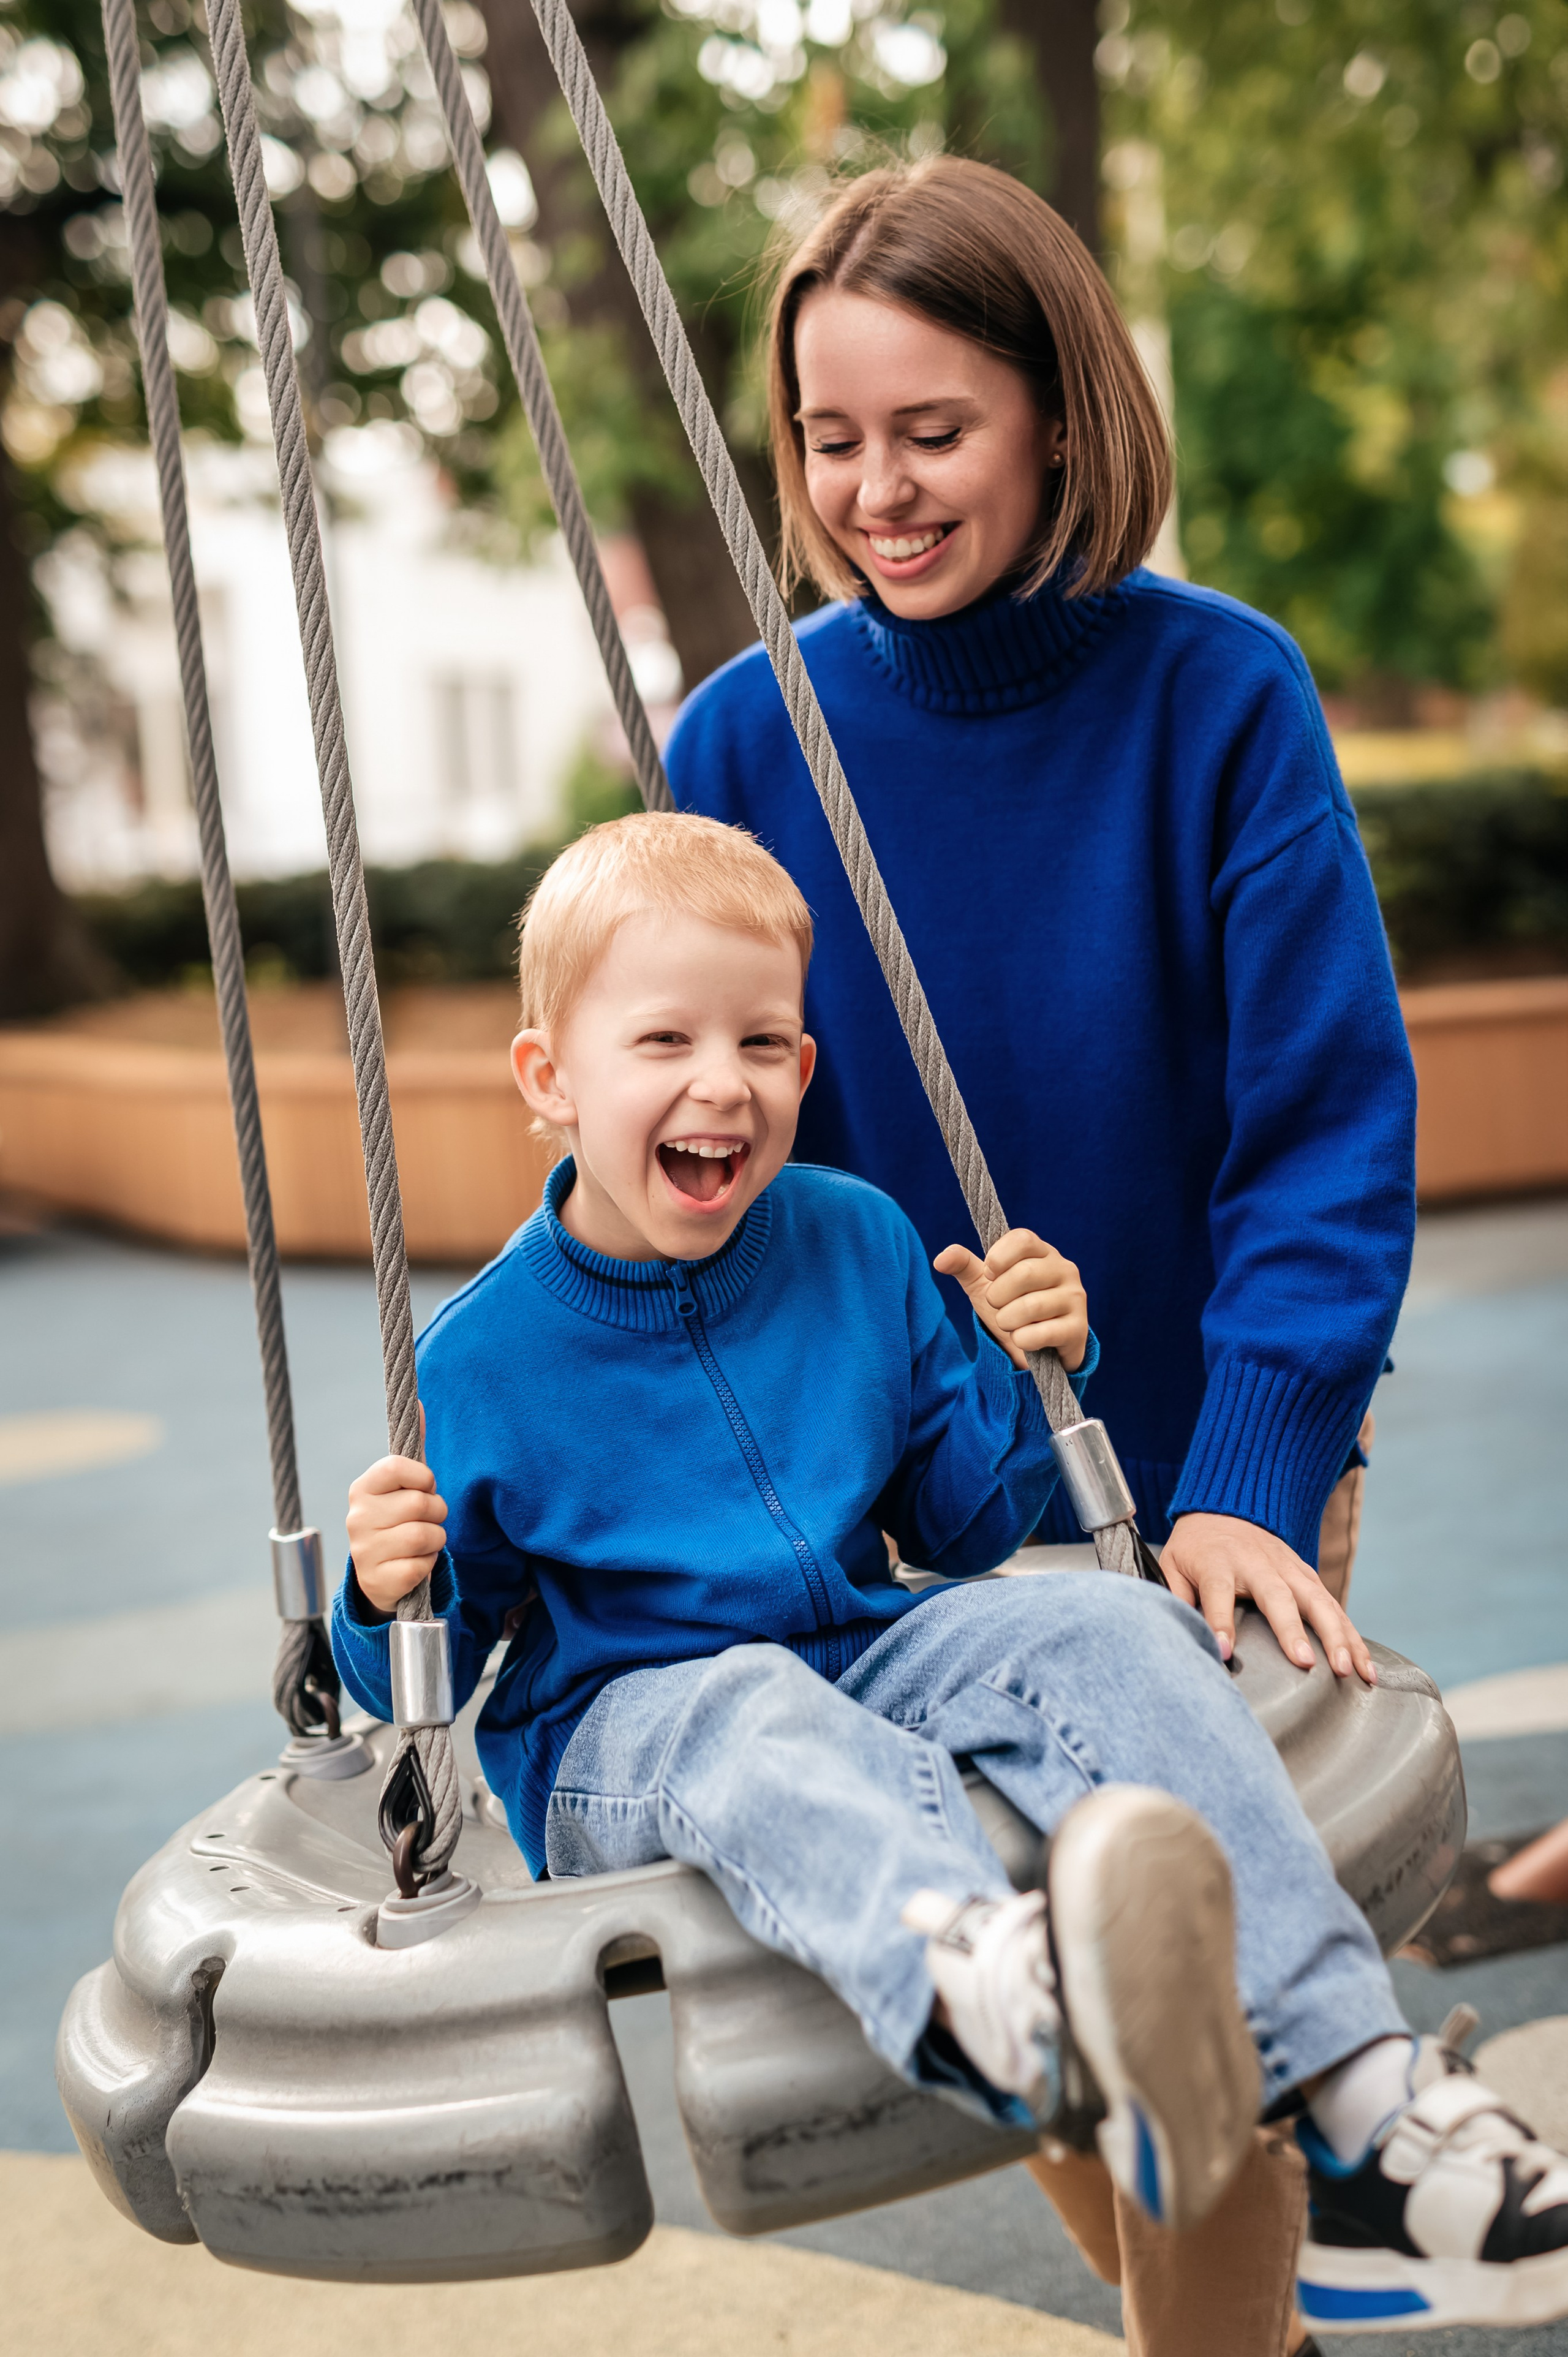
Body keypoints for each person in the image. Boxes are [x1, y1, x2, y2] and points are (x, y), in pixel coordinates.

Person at [333, 814, 1568, 2336]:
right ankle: (1003, 1987)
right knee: (743, 1702)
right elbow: (428, 1671)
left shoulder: (854, 1242)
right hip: (627, 1729)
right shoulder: (479, 1359)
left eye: (763, 1042)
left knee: (1103, 1617)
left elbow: (967, 1524)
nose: (723, 1081)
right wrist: (381, 1592)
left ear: (803, 1063)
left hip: (863, 1647)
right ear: (550, 1078)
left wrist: (1027, 1367)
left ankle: (1362, 2098)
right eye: (664, 1039)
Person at [659, 153, 1406, 2348]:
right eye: (830, 439)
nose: (874, 492)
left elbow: (1324, 1124)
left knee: (1215, 1968)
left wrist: (1255, 1472)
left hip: (1207, 1467)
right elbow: (685, 1134)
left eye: (934, 431)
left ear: (1062, 416)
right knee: (1078, 2019)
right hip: (906, 1514)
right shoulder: (741, 736)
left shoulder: (1220, 693)